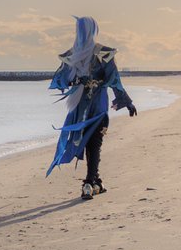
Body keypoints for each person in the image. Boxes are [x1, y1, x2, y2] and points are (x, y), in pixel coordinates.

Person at [46, 16, 137, 199]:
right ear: (94, 30)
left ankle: (95, 181)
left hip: (78, 107)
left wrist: (78, 80)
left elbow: (62, 80)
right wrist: (127, 101)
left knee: (87, 141)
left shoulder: (71, 55)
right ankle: (89, 182)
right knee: (95, 143)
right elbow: (114, 80)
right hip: (97, 105)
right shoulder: (102, 53)